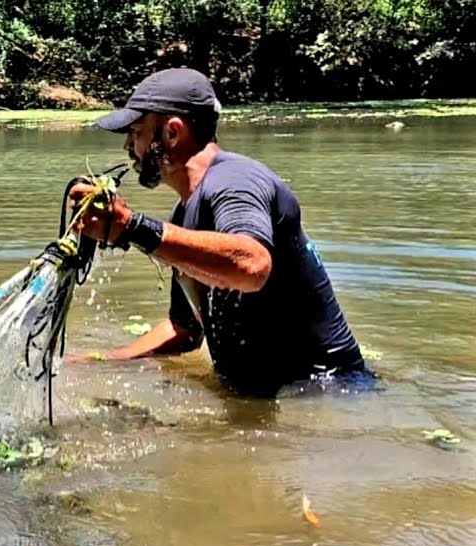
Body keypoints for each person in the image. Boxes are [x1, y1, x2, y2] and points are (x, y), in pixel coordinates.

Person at [66, 67, 369, 397]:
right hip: (271, 394)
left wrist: (133, 228)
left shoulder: (234, 181)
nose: (129, 146)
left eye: (137, 132)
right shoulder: (185, 212)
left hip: (327, 392)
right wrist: (101, 361)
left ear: (172, 132)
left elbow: (252, 266)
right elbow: (185, 330)